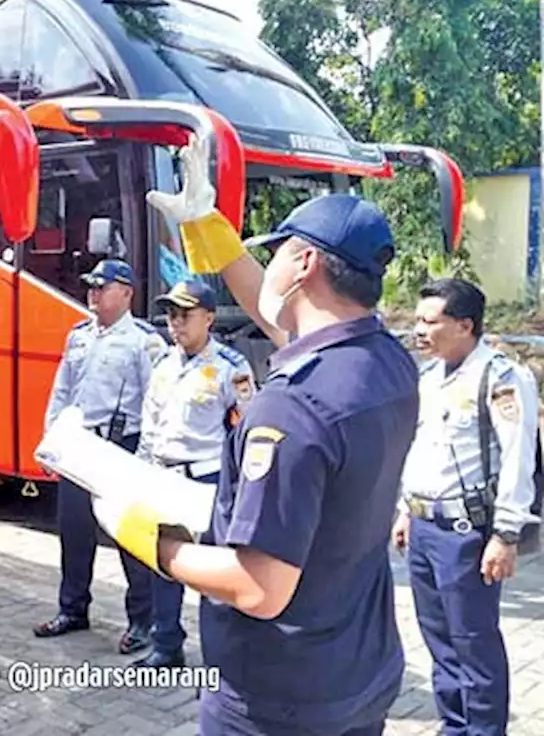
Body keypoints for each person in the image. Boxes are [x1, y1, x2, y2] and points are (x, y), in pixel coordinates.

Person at [38, 135, 422, 736]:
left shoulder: (292, 406)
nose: (268, 267)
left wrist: (153, 544)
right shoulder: (385, 362)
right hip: (356, 672)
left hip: (278, 693)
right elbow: (287, 319)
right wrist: (207, 228)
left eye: (280, 253)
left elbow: (259, 586)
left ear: (304, 265)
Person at [393, 277, 540, 735]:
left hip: (466, 535)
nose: (419, 331)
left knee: (473, 643)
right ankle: (455, 725)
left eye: (429, 322)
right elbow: (419, 449)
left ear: (464, 325)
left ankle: (483, 731)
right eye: (417, 320)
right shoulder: (429, 377)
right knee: (439, 640)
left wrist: (506, 534)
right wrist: (404, 510)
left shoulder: (500, 377)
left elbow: (519, 459)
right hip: (423, 527)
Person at [33, 258, 169, 654]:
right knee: (74, 534)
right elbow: (62, 393)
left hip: (120, 448)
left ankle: (142, 621)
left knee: (130, 540)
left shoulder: (145, 341)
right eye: (91, 285)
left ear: (126, 293)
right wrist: (51, 442)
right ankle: (72, 609)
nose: (93, 292)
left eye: (102, 286)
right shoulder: (78, 336)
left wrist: (146, 456)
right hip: (79, 447)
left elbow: (155, 402)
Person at [135, 278, 256, 670]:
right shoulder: (162, 364)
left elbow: (246, 430)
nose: (176, 323)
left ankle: (220, 654)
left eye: (185, 315)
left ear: (208, 317)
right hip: (163, 476)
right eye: (171, 315)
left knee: (211, 573)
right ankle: (166, 645)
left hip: (207, 481)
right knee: (163, 566)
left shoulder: (230, 369)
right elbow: (150, 423)